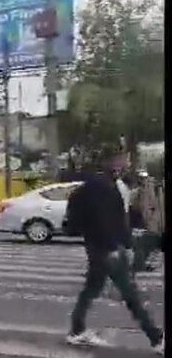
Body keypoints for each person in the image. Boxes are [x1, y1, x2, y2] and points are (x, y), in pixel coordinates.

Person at [65, 146, 163, 355]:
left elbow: (115, 219)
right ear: (108, 162)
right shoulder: (100, 187)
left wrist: (127, 243)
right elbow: (102, 221)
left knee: (91, 289)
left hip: (100, 248)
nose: (124, 164)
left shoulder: (105, 185)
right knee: (130, 295)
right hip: (106, 250)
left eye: (124, 160)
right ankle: (157, 339)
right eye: (120, 160)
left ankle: (76, 330)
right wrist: (113, 247)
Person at [131, 171, 164, 274]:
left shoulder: (150, 189)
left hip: (154, 222)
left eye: (144, 178)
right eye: (141, 178)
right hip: (150, 222)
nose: (142, 180)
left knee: (145, 242)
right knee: (144, 242)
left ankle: (139, 264)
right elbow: (140, 205)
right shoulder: (141, 190)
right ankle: (139, 264)